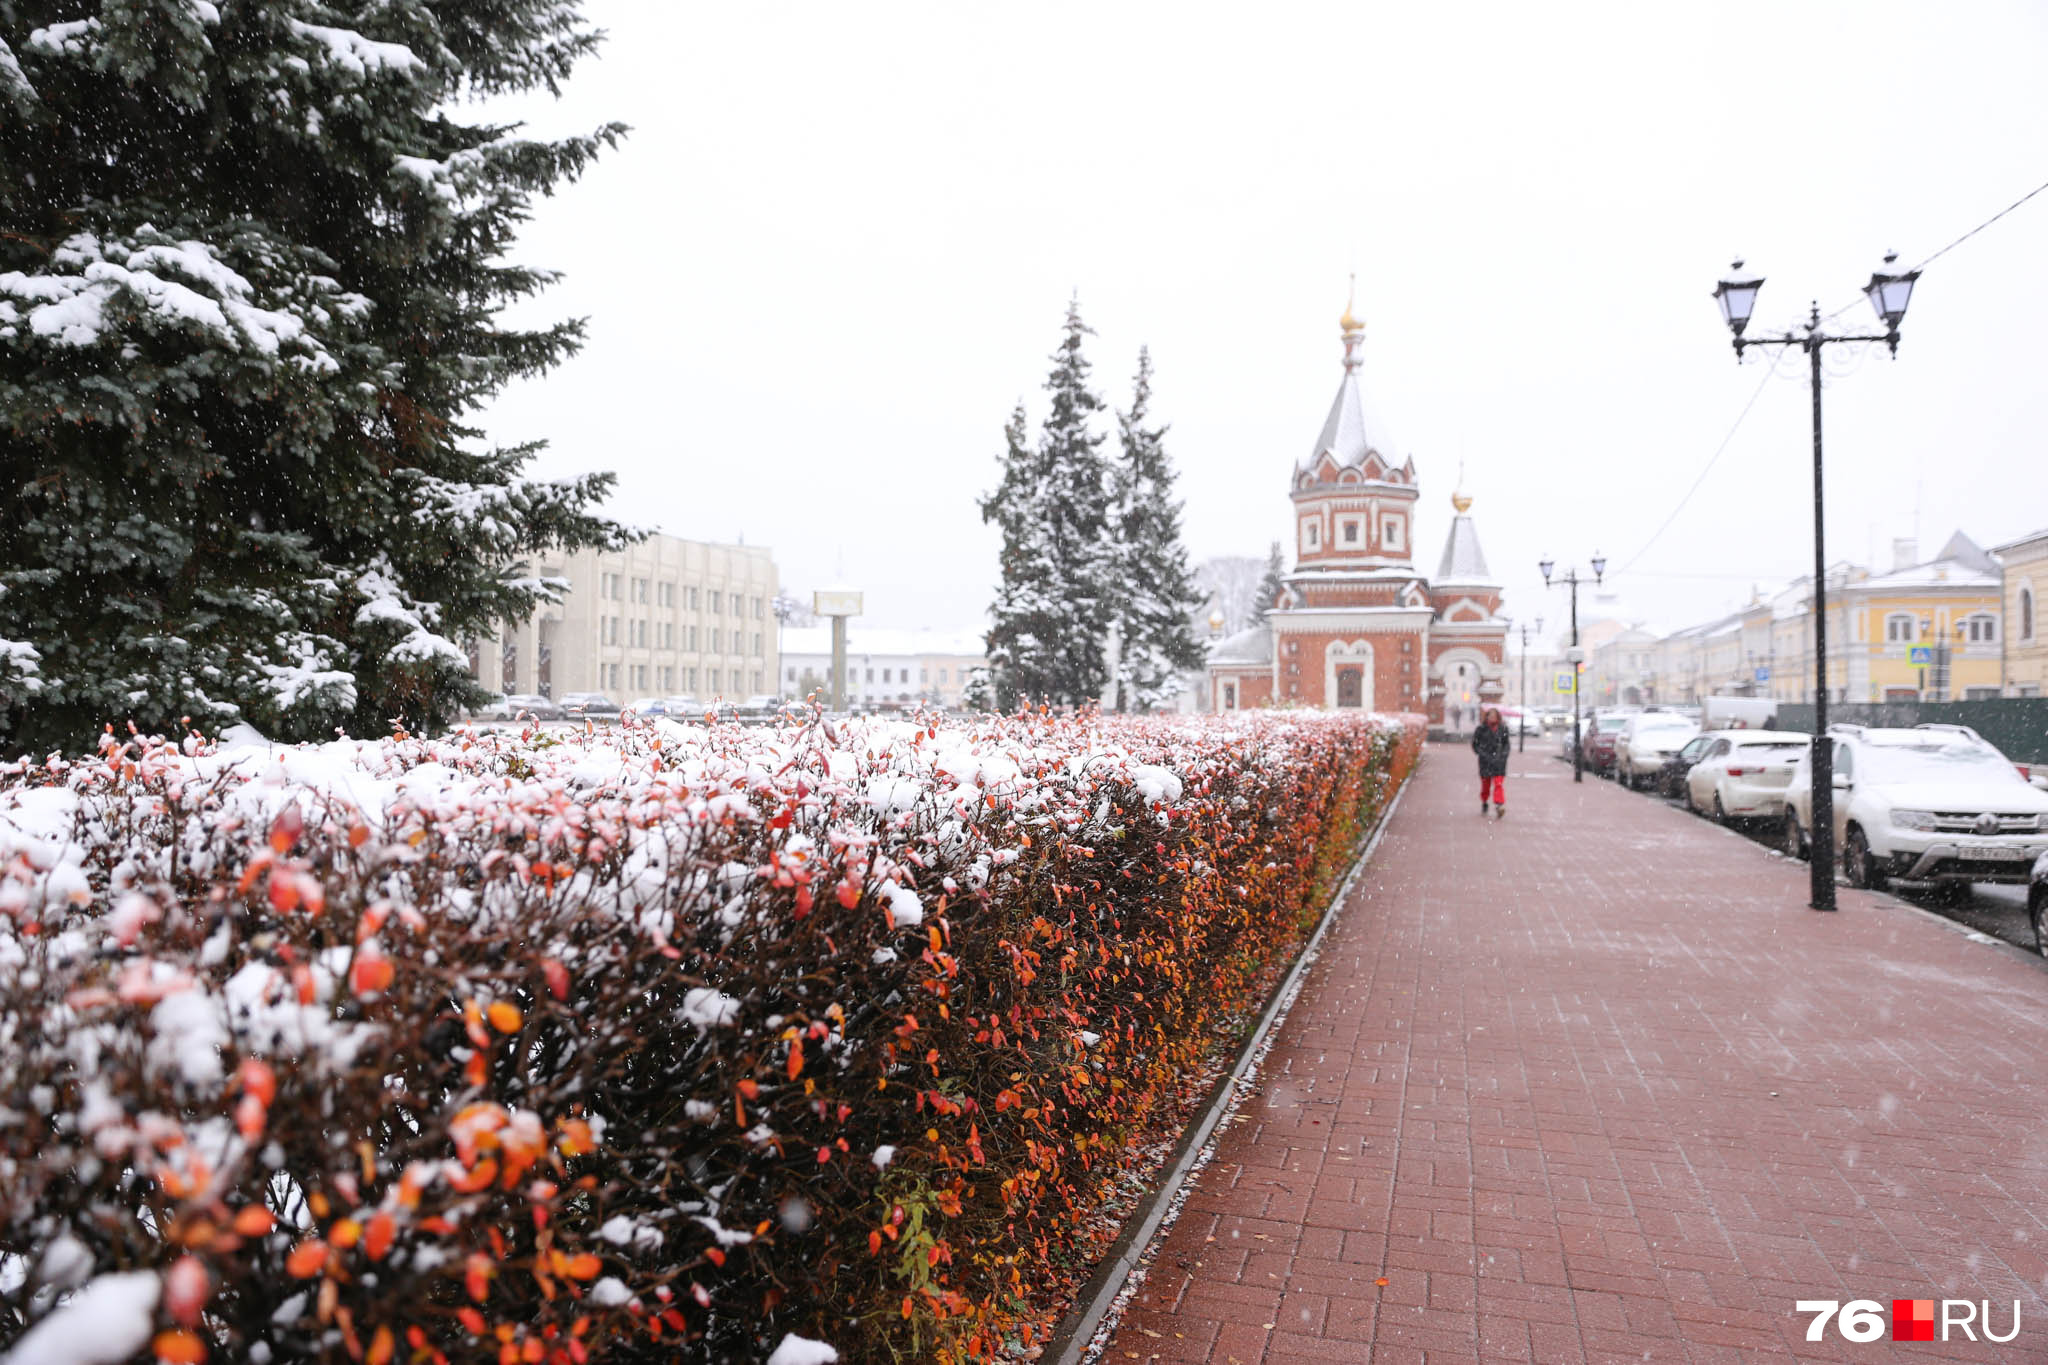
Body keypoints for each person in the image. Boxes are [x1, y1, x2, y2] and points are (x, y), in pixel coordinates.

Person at [1473, 704, 1510, 818]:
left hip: (1499, 762)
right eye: (1490, 715)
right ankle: (1484, 801)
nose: (1492, 718)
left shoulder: (1503, 729)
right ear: (1487, 717)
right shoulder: (1481, 729)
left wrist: (1503, 755)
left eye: (1494, 716)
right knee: (1486, 785)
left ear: (1498, 717)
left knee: (1498, 784)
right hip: (1485, 762)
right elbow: (1475, 745)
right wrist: (1483, 754)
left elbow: (1506, 744)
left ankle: (1499, 805)